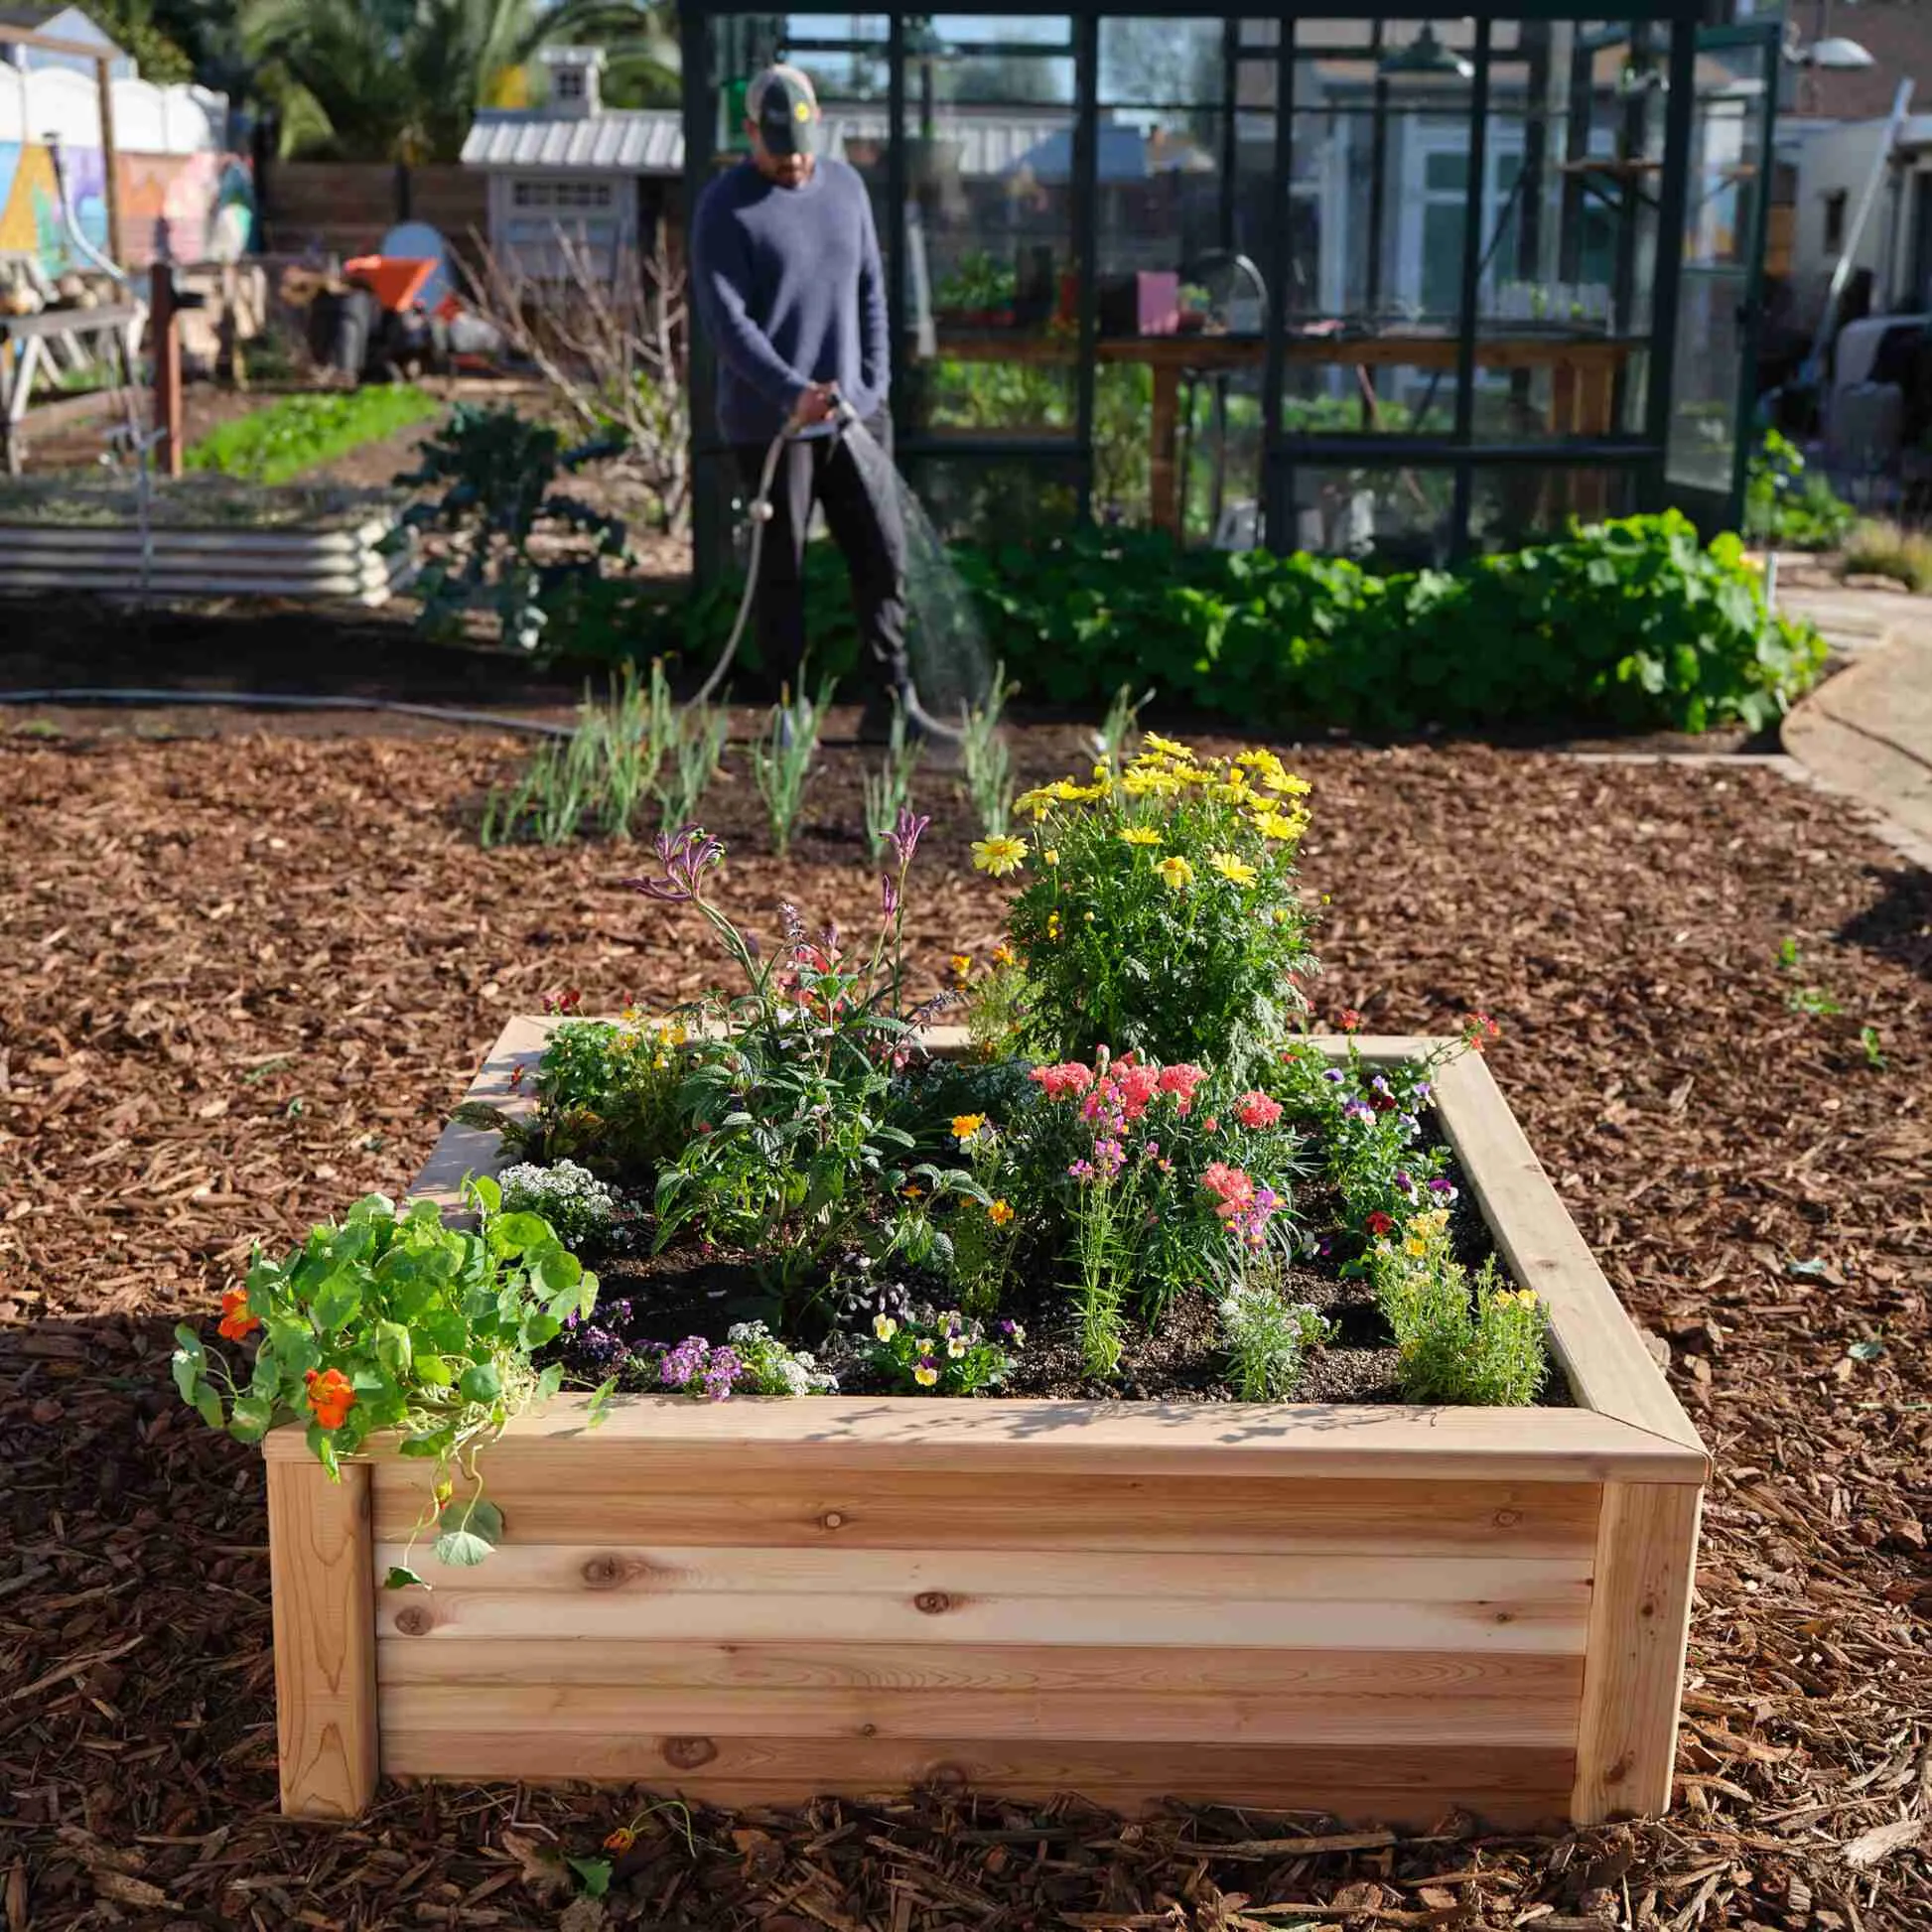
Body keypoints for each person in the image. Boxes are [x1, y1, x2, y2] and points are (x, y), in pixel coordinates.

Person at [690, 64, 909, 732]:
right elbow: (728, 325)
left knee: (882, 554)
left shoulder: (846, 188)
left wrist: (871, 386)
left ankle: (891, 707)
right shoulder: (724, 207)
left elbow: (872, 289)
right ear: (750, 131)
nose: (793, 166)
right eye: (778, 152)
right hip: (771, 424)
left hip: (854, 414)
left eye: (802, 152)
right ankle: (789, 709)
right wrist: (792, 392)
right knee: (779, 571)